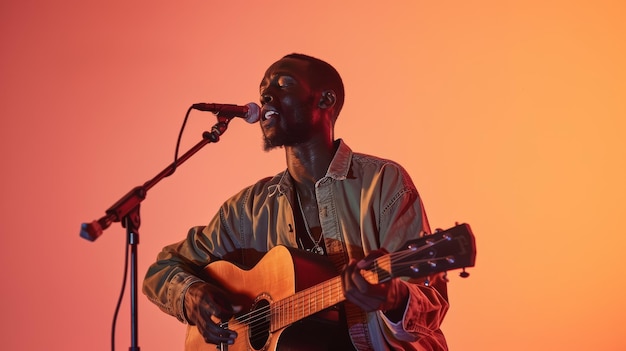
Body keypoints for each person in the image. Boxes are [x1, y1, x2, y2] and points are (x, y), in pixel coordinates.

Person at [143, 53, 449, 350]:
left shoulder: (384, 182)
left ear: (325, 101)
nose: (266, 95)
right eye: (263, 89)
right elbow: (162, 269)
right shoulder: (246, 210)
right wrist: (191, 294)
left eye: (283, 83)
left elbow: (430, 299)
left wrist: (393, 297)